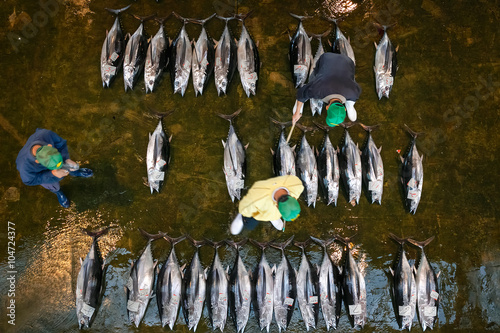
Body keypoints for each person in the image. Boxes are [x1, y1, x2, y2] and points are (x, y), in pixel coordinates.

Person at [16, 128, 93, 208]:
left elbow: (61, 144)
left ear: (50, 146)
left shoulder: (46, 134)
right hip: (42, 174)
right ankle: (58, 192)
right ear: (37, 162)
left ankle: (75, 172)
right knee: (52, 184)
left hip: (53, 158)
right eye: (56, 167)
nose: (61, 167)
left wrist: (67, 159)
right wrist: (52, 173)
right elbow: (30, 181)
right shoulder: (24, 167)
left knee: (69, 165)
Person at [292, 52, 361, 126]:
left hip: (349, 61)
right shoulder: (317, 90)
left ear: (344, 109)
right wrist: (297, 113)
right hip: (326, 58)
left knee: (350, 81)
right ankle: (309, 85)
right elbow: (301, 93)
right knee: (312, 79)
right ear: (327, 107)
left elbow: (356, 86)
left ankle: (349, 102)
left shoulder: (355, 94)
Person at [230, 175, 304, 235]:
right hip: (257, 203)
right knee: (250, 224)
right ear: (276, 206)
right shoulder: (259, 199)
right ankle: (241, 216)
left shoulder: (297, 185)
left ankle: (273, 216)